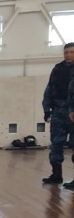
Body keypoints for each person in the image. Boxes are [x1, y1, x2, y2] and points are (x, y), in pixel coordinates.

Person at [42, 42, 74, 185]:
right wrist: (47, 109)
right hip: (58, 111)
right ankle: (56, 175)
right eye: (66, 52)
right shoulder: (57, 69)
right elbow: (49, 89)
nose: (68, 55)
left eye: (72, 52)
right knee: (56, 144)